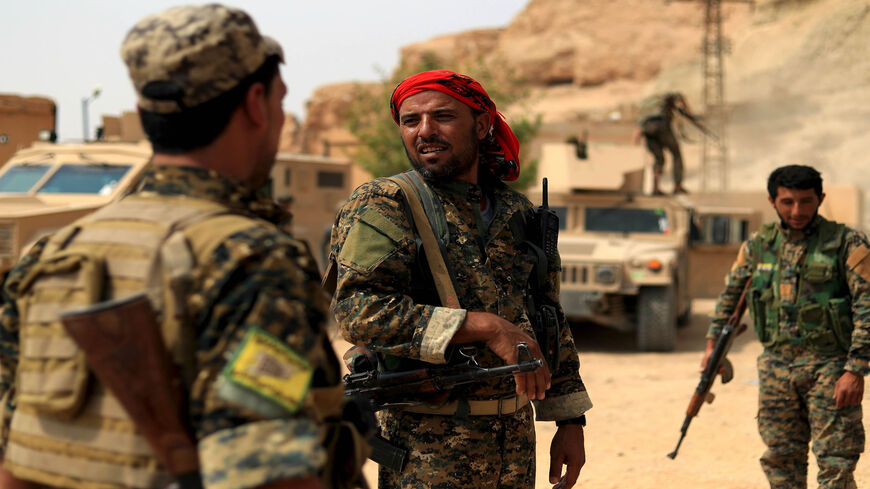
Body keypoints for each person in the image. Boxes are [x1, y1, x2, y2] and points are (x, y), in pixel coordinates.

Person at [0, 5, 363, 489]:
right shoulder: (250, 257)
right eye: (281, 101)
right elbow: (265, 478)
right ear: (256, 103)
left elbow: (16, 459)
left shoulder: (53, 254)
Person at [328, 70, 592, 489]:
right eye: (411, 121)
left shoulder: (516, 211)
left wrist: (569, 417)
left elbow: (547, 314)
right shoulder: (386, 204)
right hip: (428, 451)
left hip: (515, 445)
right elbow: (359, 312)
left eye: (443, 117)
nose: (425, 131)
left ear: (483, 125)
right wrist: (486, 327)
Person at [703, 165, 869, 489]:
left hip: (830, 368)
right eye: (788, 202)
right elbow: (730, 299)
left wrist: (855, 369)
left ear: (821, 199)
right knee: (780, 460)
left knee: (836, 463)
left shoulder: (846, 243)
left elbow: (867, 305)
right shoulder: (758, 246)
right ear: (772, 200)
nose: (797, 211)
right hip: (777, 369)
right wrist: (713, 346)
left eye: (806, 201)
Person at [633, 92, 703, 195]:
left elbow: (639, 126)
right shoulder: (667, 97)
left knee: (659, 159)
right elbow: (680, 101)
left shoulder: (648, 105)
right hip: (662, 126)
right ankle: (677, 186)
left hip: (647, 129)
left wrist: (637, 138)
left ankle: (655, 188)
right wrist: (692, 115)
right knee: (676, 155)